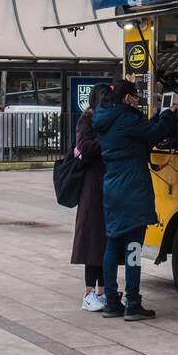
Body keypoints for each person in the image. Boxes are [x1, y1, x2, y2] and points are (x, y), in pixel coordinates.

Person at [92, 80, 178, 320]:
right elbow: (155, 133)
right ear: (126, 98)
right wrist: (168, 115)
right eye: (135, 96)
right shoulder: (127, 118)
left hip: (112, 187)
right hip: (133, 188)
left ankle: (111, 300)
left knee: (112, 244)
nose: (138, 99)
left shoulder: (105, 117)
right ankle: (132, 302)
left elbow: (138, 135)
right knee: (132, 247)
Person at [71, 83, 112, 312]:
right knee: (91, 239)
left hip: (108, 182)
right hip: (91, 184)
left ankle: (102, 292)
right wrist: (108, 142)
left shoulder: (109, 120)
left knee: (106, 239)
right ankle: (88, 293)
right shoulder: (87, 120)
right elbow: (84, 146)